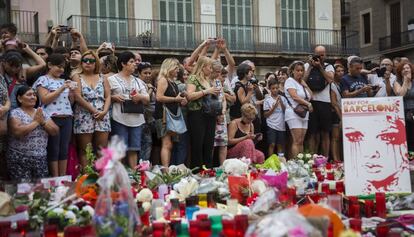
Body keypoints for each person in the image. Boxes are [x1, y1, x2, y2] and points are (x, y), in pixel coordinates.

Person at [34, 53, 75, 177]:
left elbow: (71, 102)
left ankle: (62, 177)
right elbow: (45, 99)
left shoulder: (64, 80)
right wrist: (62, 88)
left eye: (63, 67)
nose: (61, 70)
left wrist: (71, 92)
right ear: (50, 65)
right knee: (54, 149)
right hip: (51, 118)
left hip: (67, 117)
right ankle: (55, 178)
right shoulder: (43, 79)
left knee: (64, 149)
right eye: (59, 66)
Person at [7, 86, 58, 180]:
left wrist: (43, 122)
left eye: (34, 95)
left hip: (40, 158)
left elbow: (55, 131)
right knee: (23, 190)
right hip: (20, 158)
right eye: (29, 94)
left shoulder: (41, 112)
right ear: (19, 98)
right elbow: (18, 132)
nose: (33, 97)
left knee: (40, 191)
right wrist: (36, 122)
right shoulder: (15, 113)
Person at [108, 51, 149, 168]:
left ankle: (134, 175)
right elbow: (104, 97)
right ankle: (120, 176)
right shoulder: (112, 79)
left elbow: (147, 98)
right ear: (123, 64)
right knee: (120, 149)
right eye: (131, 62)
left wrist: (140, 97)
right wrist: (113, 97)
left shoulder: (138, 81)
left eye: (135, 62)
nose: (135, 64)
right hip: (119, 118)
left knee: (134, 148)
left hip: (137, 119)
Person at [72, 50, 111, 169]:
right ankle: (87, 179)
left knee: (101, 150)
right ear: (81, 63)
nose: (88, 63)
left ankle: (102, 178)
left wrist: (104, 112)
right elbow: (77, 97)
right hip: (84, 114)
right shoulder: (76, 76)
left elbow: (108, 95)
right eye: (85, 60)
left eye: (91, 61)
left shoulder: (102, 77)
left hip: (102, 115)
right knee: (85, 150)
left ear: (96, 63)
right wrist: (94, 111)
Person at [186, 56, 220, 169]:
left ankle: (208, 168)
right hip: (197, 114)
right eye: (210, 67)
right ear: (203, 67)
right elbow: (189, 96)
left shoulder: (208, 80)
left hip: (210, 114)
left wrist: (214, 93)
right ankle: (197, 170)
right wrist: (206, 91)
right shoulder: (193, 78)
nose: (211, 70)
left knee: (209, 143)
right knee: (198, 143)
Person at [155, 58, 187, 168]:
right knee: (167, 144)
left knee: (169, 144)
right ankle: (166, 169)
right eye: (176, 67)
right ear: (169, 67)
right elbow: (159, 97)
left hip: (170, 115)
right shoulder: (163, 80)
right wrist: (175, 100)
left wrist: (181, 100)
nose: (178, 70)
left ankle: (167, 168)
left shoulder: (172, 82)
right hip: (163, 116)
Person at [303, 45, 334, 157]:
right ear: (314, 54)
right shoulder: (307, 65)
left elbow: (330, 80)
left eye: (322, 55)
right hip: (311, 102)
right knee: (312, 132)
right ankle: (312, 159)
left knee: (325, 132)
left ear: (325, 55)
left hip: (325, 102)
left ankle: (325, 158)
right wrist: (311, 67)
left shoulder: (329, 66)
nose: (320, 57)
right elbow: (302, 81)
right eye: (318, 55)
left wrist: (320, 67)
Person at [284, 61, 313, 158]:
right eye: (298, 70)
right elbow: (294, 97)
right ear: (292, 71)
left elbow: (311, 96)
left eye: (302, 71)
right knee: (296, 141)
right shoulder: (289, 81)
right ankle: (296, 164)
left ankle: (301, 162)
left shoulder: (301, 83)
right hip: (293, 113)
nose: (300, 72)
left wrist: (306, 85)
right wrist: (308, 104)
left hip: (304, 113)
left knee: (301, 141)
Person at [393, 62, 414, 150]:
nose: (405, 70)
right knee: (409, 137)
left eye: (407, 68)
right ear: (400, 71)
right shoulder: (397, 82)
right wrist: (405, 81)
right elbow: (400, 95)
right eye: (403, 69)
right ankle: (411, 157)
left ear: (411, 70)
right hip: (404, 112)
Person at [171, 65, 190, 165]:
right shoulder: (182, 86)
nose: (187, 77)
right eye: (185, 74)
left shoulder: (173, 84)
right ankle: (179, 167)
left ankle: (174, 167)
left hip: (177, 117)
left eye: (188, 74)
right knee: (181, 144)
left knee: (177, 144)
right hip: (182, 118)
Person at [263, 78, 286, 157]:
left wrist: (281, 103)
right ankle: (270, 162)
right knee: (272, 144)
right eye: (273, 88)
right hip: (271, 125)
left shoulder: (282, 98)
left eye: (277, 88)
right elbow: (265, 115)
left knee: (280, 145)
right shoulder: (267, 100)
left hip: (281, 126)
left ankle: (280, 163)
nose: (275, 90)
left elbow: (285, 111)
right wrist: (273, 108)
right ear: (270, 89)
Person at [137, 62, 155, 162]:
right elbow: (144, 101)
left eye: (149, 73)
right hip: (140, 120)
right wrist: (150, 90)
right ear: (139, 73)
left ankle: (144, 168)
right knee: (141, 145)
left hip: (149, 120)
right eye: (145, 73)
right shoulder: (137, 83)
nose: (148, 75)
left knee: (148, 144)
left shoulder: (149, 85)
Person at [211, 61, 228, 165]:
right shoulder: (208, 82)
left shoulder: (218, 82)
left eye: (219, 72)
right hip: (213, 116)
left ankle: (223, 167)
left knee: (223, 143)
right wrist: (217, 114)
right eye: (217, 71)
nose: (218, 74)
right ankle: (209, 167)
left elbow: (224, 99)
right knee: (212, 144)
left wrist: (223, 111)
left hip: (222, 116)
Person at [330, 64, 344, 161]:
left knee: (342, 138)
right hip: (335, 113)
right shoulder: (332, 85)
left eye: (342, 70)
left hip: (344, 111)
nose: (340, 73)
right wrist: (341, 117)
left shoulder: (343, 83)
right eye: (338, 71)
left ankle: (341, 158)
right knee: (336, 137)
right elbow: (334, 102)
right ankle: (336, 159)